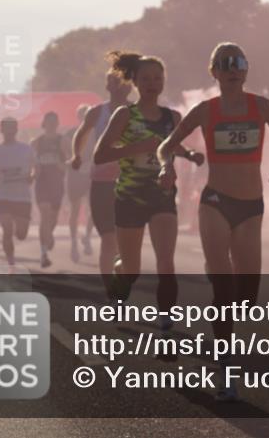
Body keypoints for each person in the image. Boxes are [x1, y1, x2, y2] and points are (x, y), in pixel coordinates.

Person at [157, 42, 269, 400]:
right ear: (214, 72)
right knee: (224, 291)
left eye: (238, 63)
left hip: (251, 205)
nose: (233, 69)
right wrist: (166, 166)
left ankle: (215, 265)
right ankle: (225, 371)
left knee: (247, 297)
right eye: (225, 64)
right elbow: (166, 145)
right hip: (216, 201)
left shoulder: (261, 106)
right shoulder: (206, 111)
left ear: (246, 70)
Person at [93, 51, 203, 331]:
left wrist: (190, 154)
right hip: (129, 196)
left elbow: (173, 145)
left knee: (166, 260)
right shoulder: (124, 115)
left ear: (163, 81)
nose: (152, 83)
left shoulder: (172, 117)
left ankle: (166, 318)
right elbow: (100, 155)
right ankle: (119, 278)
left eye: (157, 78)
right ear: (135, 83)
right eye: (146, 79)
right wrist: (137, 148)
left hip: (162, 195)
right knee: (132, 269)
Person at [70, 67, 132, 281]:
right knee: (108, 238)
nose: (123, 85)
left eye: (126, 81)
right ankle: (111, 291)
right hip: (102, 182)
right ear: (108, 85)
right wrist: (76, 156)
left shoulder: (138, 111)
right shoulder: (97, 112)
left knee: (125, 240)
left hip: (130, 182)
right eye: (117, 81)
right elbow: (81, 134)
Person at [0, 117, 36, 272]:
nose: (10, 131)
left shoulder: (26, 149)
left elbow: (35, 167)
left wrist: (32, 176)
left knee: (21, 234)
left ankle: (19, 239)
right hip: (3, 196)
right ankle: (11, 264)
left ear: (16, 130)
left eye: (12, 128)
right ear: (1, 130)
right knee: (7, 230)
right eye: (7, 128)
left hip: (23, 197)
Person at [31, 111, 66, 268]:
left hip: (57, 184)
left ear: (57, 123)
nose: (51, 124)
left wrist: (62, 165)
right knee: (44, 215)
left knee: (52, 219)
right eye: (49, 121)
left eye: (54, 121)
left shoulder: (62, 140)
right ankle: (43, 254)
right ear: (44, 123)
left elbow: (73, 160)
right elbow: (30, 163)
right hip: (42, 183)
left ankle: (49, 234)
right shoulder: (36, 142)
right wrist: (33, 171)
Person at [63, 104, 94, 262]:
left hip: (92, 174)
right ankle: (74, 243)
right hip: (75, 175)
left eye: (89, 115)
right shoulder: (69, 134)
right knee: (75, 210)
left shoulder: (97, 133)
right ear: (79, 117)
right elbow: (65, 155)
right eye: (83, 115)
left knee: (94, 209)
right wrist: (72, 161)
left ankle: (87, 236)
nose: (86, 118)